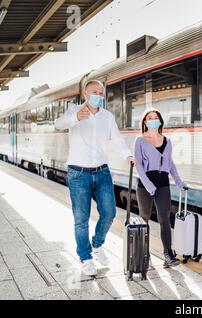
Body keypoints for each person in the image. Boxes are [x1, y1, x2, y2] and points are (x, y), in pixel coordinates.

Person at [55, 79, 134, 276]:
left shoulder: (107, 117)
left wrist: (128, 155)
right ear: (85, 94)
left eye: (101, 93)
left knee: (109, 212)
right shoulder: (74, 111)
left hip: (102, 171)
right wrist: (76, 118)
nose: (98, 95)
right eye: (94, 92)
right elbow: (58, 124)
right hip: (78, 173)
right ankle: (86, 257)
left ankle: (97, 244)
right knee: (81, 219)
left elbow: (116, 139)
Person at [134, 108, 188, 268]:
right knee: (144, 219)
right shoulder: (139, 140)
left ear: (160, 121)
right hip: (145, 184)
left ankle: (168, 255)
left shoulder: (167, 141)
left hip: (163, 183)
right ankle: (143, 253)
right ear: (145, 122)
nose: (153, 120)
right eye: (149, 118)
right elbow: (138, 166)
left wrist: (179, 182)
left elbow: (170, 164)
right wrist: (149, 186)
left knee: (164, 218)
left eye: (156, 118)